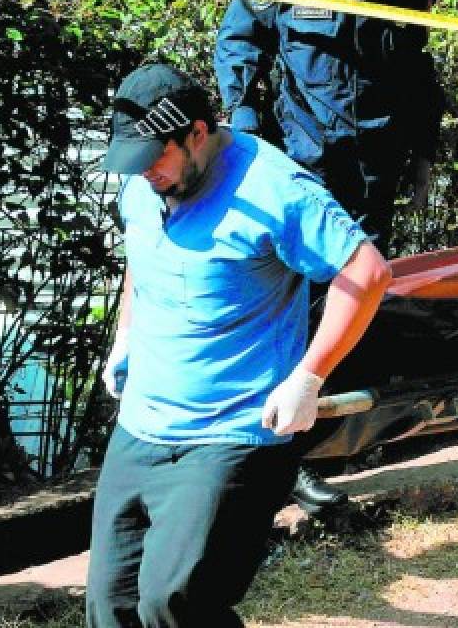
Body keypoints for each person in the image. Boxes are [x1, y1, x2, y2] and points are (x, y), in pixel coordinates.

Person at [86, 64, 391, 627]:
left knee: (173, 604)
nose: (143, 172)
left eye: (155, 157)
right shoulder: (145, 177)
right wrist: (127, 331)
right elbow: (142, 255)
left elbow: (367, 273)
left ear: (197, 133)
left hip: (230, 436)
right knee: (112, 608)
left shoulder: (274, 189)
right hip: (141, 427)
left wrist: (309, 376)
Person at [214, 0, 444, 514]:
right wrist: (245, 135)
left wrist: (422, 154)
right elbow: (240, 43)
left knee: (344, 312)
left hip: (372, 170)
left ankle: (300, 453)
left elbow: (415, 74)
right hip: (301, 166)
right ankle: (266, 459)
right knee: (285, 308)